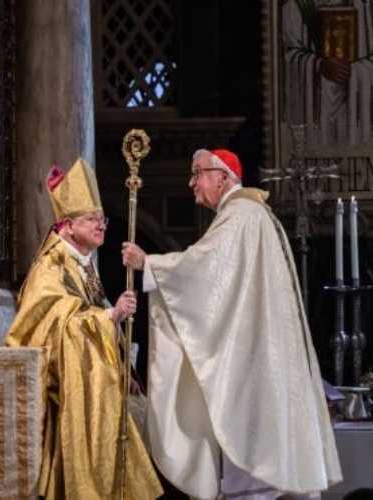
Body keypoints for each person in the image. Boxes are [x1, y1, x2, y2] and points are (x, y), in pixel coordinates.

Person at [122, 149, 343, 499]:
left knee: (255, 476)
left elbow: (205, 271)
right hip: (263, 355)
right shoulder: (250, 214)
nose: (191, 182)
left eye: (198, 173)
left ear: (223, 176)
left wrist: (148, 263)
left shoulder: (240, 216)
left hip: (252, 365)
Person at [5, 157, 162, 499]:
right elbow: (50, 325)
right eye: (92, 219)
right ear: (68, 225)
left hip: (81, 362)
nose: (101, 226)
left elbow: (86, 315)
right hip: (53, 371)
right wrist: (111, 316)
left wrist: (124, 366)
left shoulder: (83, 263)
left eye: (102, 219)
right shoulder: (50, 267)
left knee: (129, 396)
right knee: (104, 394)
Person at [282, 0, 373, 147]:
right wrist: (319, 65)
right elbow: (285, 60)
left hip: (357, 120)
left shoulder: (366, 7)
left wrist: (354, 70)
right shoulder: (294, 7)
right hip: (313, 118)